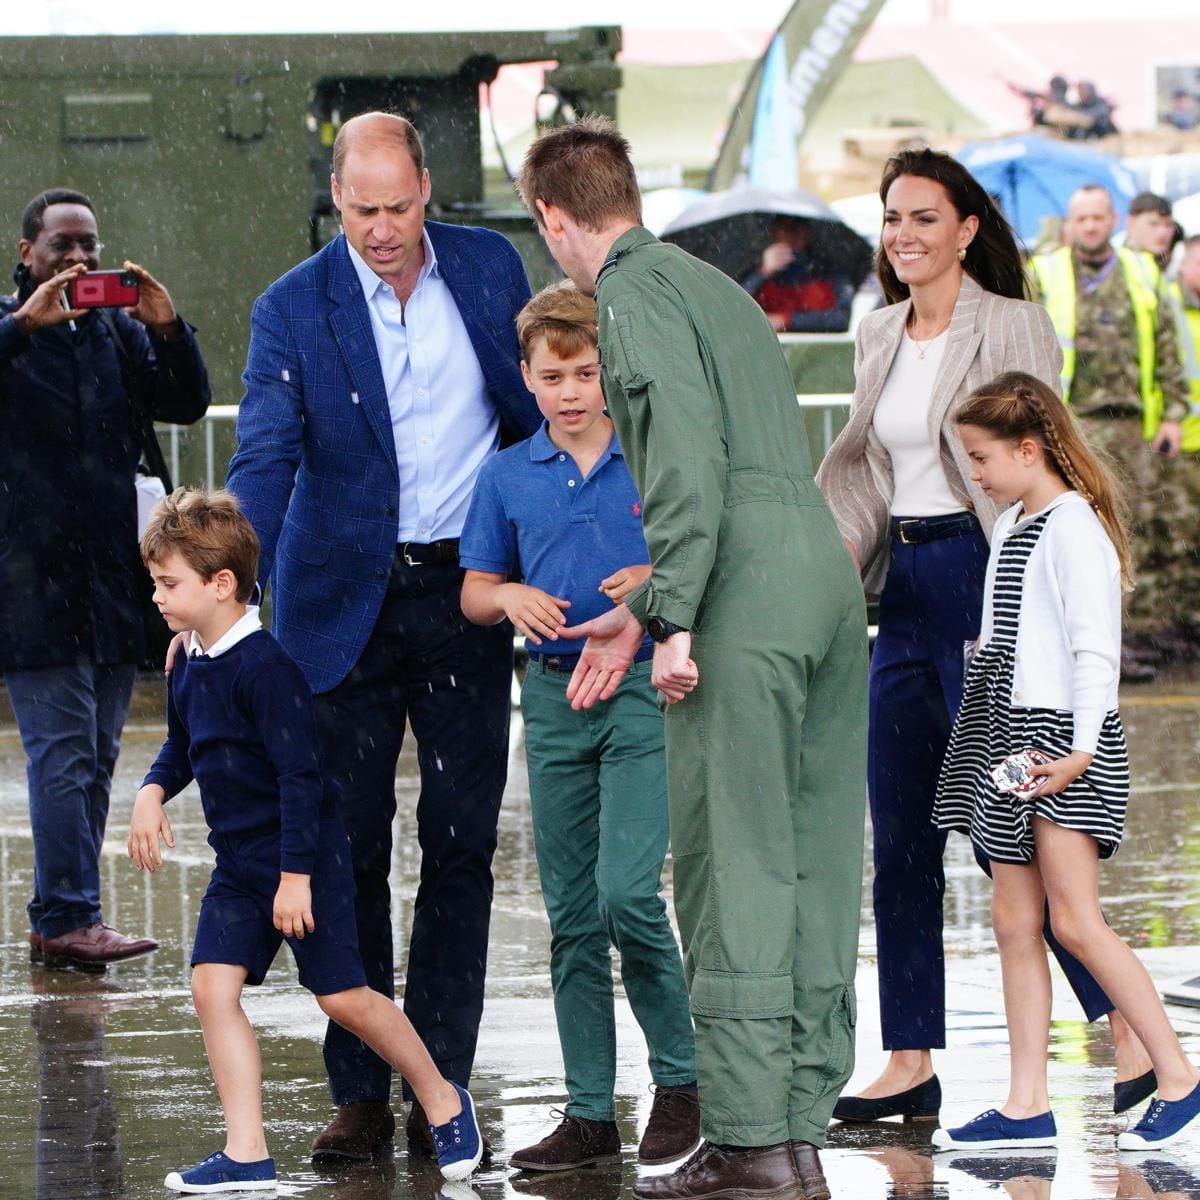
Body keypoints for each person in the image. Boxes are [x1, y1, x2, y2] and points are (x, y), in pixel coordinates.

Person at [517, 115, 868, 1200]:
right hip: (817, 570)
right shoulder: (718, 286)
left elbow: (679, 462)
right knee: (812, 854)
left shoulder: (627, 293)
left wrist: (667, 607)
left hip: (741, 586)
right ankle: (795, 1119)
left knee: (735, 858)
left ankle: (754, 1141)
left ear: (553, 218)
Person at [223, 111, 539, 1162]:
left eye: (400, 207)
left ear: (428, 189)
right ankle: (359, 1091)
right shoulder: (292, 306)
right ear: (336, 196)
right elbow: (265, 455)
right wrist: (230, 580)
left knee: (459, 845)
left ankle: (439, 1079)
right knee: (342, 851)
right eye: (362, 210)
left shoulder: (492, 269)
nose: (383, 229)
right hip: (336, 611)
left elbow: (542, 414)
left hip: (463, 598)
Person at [817, 149, 1153, 1127]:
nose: (904, 237)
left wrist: (1025, 597)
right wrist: (836, 561)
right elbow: (872, 474)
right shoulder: (876, 330)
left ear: (968, 228)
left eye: (924, 218)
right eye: (891, 221)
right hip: (907, 587)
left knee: (1010, 828)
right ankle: (911, 1056)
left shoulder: (1014, 325)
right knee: (904, 826)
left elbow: (1035, 467)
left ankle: (1125, 1030)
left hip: (987, 572)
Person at [129, 489, 483, 1193]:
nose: (158, 597)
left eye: (169, 584)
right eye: (156, 584)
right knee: (211, 986)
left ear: (220, 583)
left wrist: (296, 878)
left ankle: (442, 1098)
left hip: (304, 860)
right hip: (240, 867)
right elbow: (182, 745)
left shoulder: (269, 671)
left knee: (343, 996)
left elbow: (300, 778)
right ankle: (246, 1150)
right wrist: (149, 792)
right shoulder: (189, 661)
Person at [458, 281, 700, 1172]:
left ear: (610, 374)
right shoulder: (507, 472)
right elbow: (475, 591)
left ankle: (681, 1081)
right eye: (552, 374)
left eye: (585, 372)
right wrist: (506, 593)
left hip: (641, 687)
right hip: (554, 699)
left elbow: (693, 547)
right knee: (570, 915)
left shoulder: (651, 454)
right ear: (526, 377)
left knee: (626, 892)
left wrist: (648, 573)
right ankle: (590, 1112)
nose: (569, 390)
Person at [930, 372, 1200, 1152]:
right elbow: (1010, 630)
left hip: (1063, 741)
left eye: (981, 459)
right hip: (1009, 733)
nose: (974, 475)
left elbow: (1093, 653)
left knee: (1076, 920)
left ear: (1027, 448)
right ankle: (1026, 1102)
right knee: (1015, 917)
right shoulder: (1016, 522)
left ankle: (1178, 1072)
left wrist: (1081, 752)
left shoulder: (1073, 526)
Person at [0, 186, 210, 971]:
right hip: (32, 586)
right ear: (28, 255)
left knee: (92, 755)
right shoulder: (13, 332)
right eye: (61, 246)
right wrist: (24, 327)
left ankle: (58, 915)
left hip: (115, 588)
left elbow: (186, 401)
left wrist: (164, 323)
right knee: (62, 759)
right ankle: (70, 915)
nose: (79, 258)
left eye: (88, 244)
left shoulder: (117, 335)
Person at [1030, 184, 1196, 673]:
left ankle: (1119, 642)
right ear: (1070, 222)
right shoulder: (1047, 272)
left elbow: (1168, 345)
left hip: (1130, 425)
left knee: (1128, 533)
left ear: (1112, 219)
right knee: (1071, 532)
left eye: (1099, 218)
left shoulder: (1140, 272)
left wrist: (1172, 413)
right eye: (1081, 218)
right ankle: (1073, 644)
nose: (1090, 227)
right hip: (1070, 423)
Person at [739, 216, 853, 333]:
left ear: (809, 232)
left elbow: (841, 319)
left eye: (802, 227)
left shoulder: (829, 271)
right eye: (790, 228)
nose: (798, 234)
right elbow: (735, 309)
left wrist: (786, 320)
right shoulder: (757, 272)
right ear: (775, 232)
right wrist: (762, 272)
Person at [1124, 192, 1178, 272]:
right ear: (1131, 222)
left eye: (1168, 225)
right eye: (1153, 224)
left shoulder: (1170, 269)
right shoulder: (1114, 266)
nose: (1162, 233)